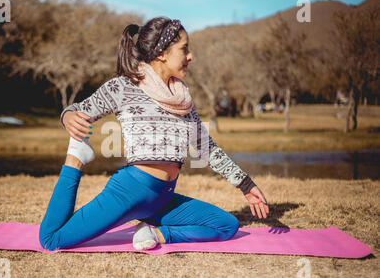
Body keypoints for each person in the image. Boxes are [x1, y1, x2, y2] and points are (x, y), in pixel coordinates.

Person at [39, 17, 269, 252]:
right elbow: (77, 110)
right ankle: (75, 157)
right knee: (51, 239)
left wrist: (245, 185)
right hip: (128, 193)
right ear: (162, 53)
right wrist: (68, 117)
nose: (190, 57)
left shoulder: (183, 99)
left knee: (226, 225)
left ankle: (154, 232)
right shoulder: (124, 87)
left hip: (162, 198)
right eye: (184, 49)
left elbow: (207, 148)